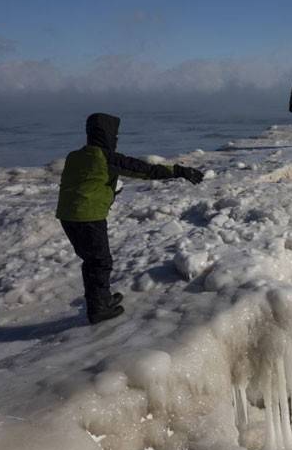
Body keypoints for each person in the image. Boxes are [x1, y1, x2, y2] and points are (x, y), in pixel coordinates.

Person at [56, 113, 204, 324]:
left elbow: (83, 183)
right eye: (114, 135)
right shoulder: (104, 157)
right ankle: (98, 308)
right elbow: (145, 170)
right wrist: (179, 170)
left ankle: (102, 298)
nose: (116, 139)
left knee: (93, 261)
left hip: (68, 216)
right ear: (106, 135)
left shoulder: (75, 156)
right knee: (99, 262)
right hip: (88, 216)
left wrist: (107, 191)